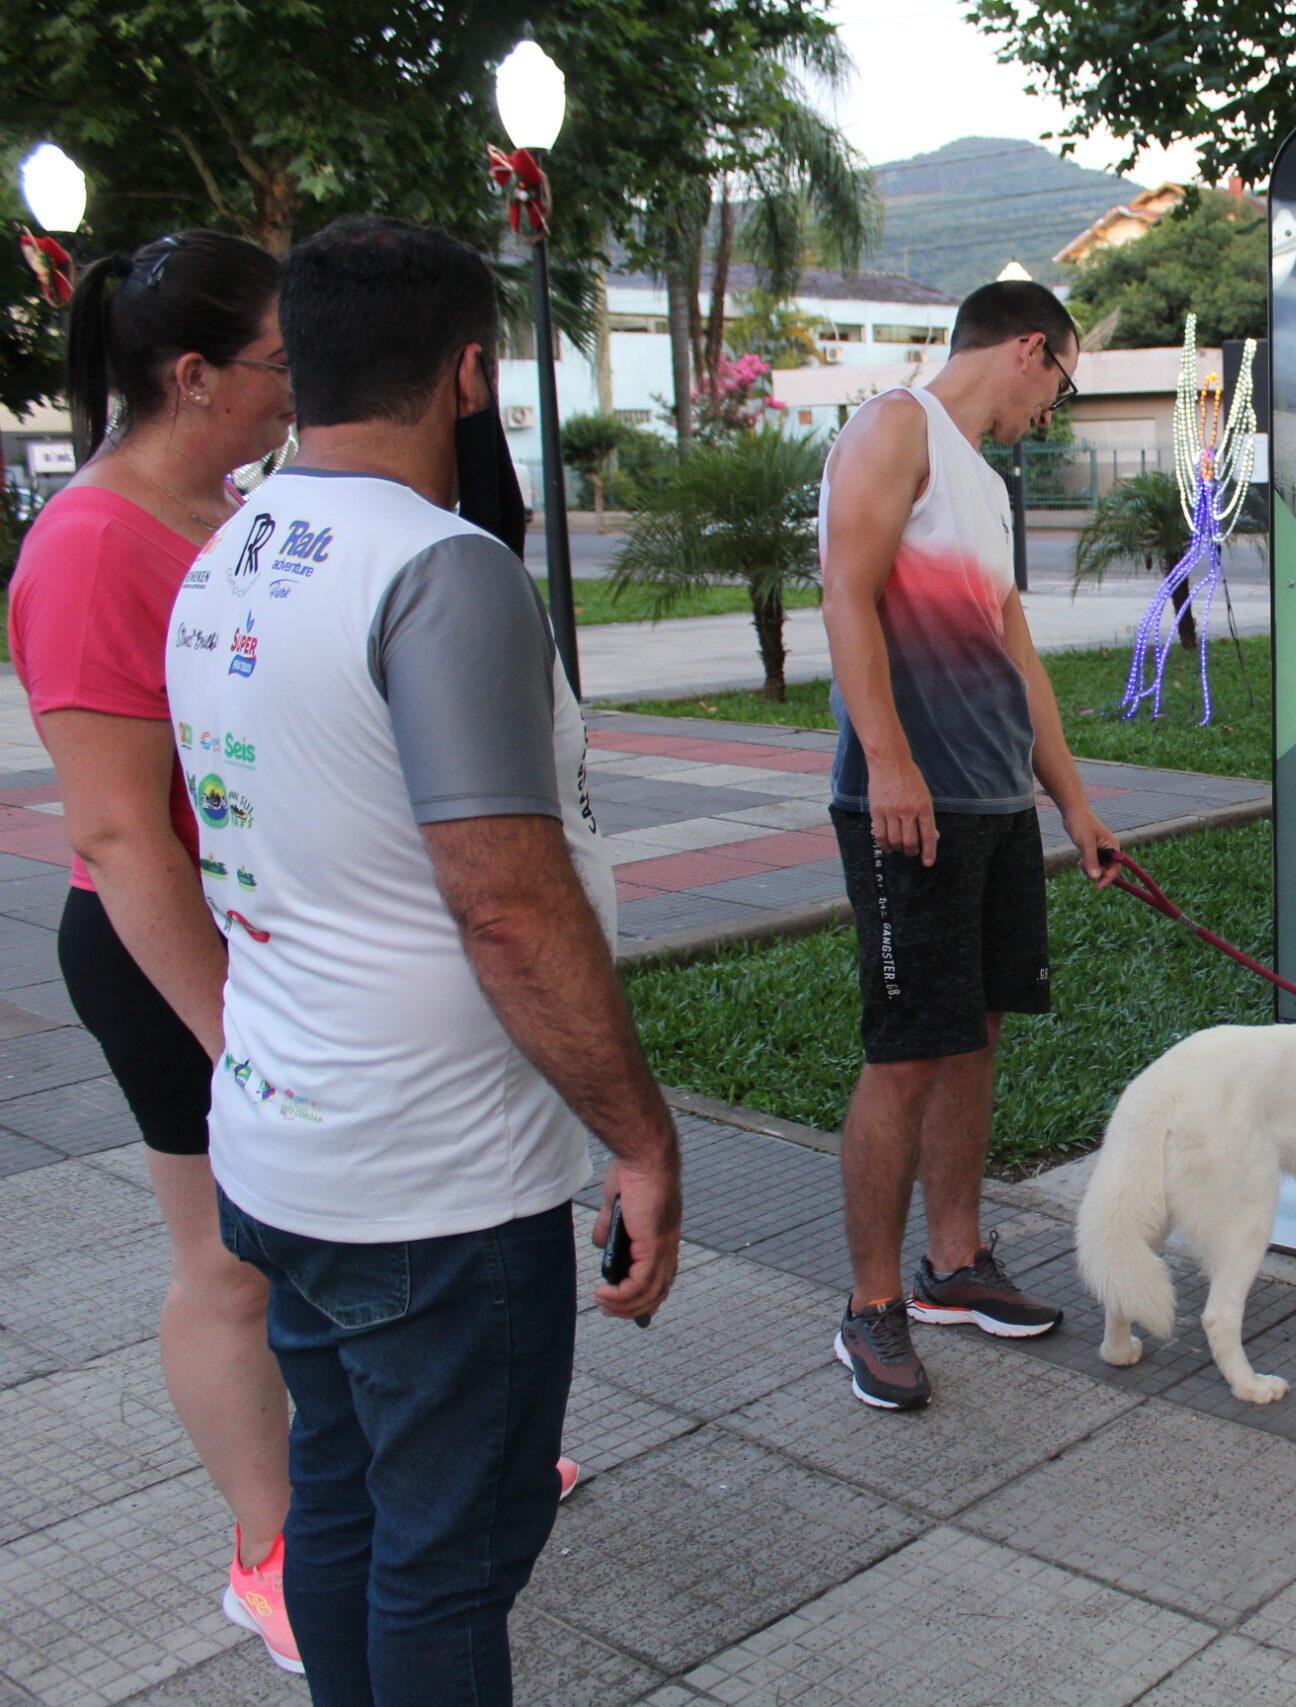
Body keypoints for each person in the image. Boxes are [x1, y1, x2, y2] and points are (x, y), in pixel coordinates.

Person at [162, 214, 682, 1703]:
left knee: (341, 1497)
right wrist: (639, 1139)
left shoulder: (228, 554)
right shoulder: (441, 572)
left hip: (279, 1146)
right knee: (449, 1556)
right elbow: (507, 905)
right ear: (470, 370)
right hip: (431, 1186)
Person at [9, 231, 305, 1669]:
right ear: (193, 377)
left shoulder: (241, 507)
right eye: (278, 357)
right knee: (229, 1260)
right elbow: (125, 839)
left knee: (323, 1236)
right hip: (167, 947)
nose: (301, 380)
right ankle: (272, 1551)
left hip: (275, 931)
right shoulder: (86, 546)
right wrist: (238, 1032)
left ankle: (372, 1486)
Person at [819, 279, 1118, 1410]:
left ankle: (952, 1265)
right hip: (909, 805)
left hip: (994, 804)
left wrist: (1074, 802)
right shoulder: (896, 428)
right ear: (1029, 350)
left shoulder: (984, 483)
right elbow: (846, 593)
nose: (1051, 412)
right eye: (1060, 385)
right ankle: (869, 1305)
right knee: (905, 1049)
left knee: (976, 1029)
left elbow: (1016, 655)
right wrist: (889, 759)